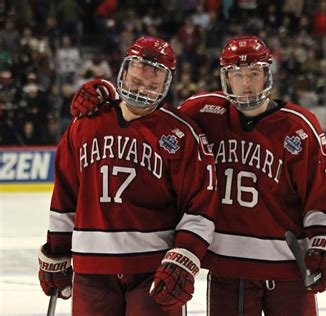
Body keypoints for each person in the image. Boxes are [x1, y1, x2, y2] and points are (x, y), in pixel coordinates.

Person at [71, 35, 326, 316]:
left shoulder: (299, 126)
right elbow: (147, 116)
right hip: (228, 266)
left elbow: (319, 191)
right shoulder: (202, 111)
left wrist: (323, 237)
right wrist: (107, 95)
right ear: (226, 78)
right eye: (238, 75)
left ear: (268, 75)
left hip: (288, 266)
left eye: (254, 74)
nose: (247, 83)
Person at [38, 36, 218, 315]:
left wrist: (184, 256)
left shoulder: (181, 133)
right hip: (92, 270)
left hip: (153, 269)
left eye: (152, 81)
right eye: (137, 78)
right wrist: (57, 250)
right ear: (123, 71)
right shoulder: (85, 124)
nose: (142, 88)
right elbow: (65, 196)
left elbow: (200, 204)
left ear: (166, 84)